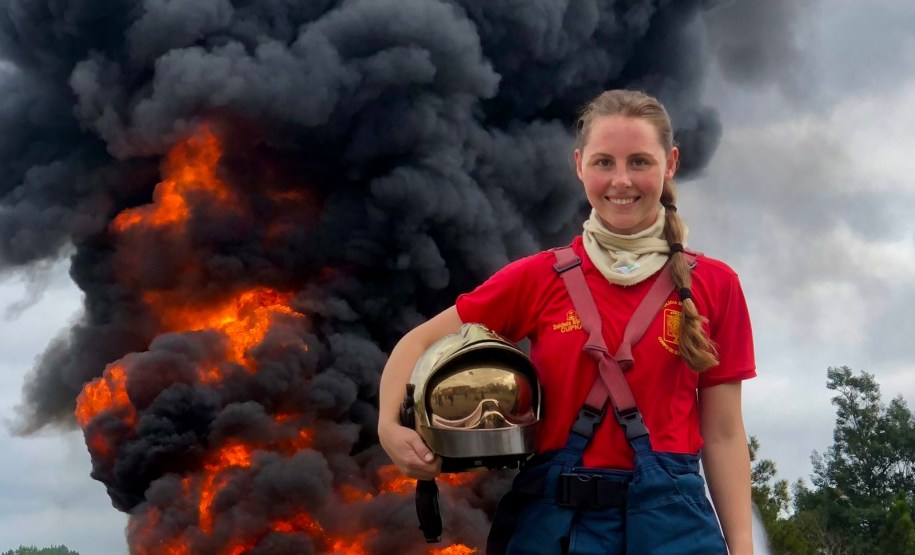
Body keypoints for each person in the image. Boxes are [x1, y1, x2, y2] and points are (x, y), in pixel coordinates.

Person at [378, 89, 755, 555]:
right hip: (556, 523)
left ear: (671, 163)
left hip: (675, 527)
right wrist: (389, 428)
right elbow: (415, 344)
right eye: (603, 163)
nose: (621, 180)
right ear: (579, 165)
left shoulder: (715, 285)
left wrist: (742, 548)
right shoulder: (537, 277)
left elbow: (723, 434)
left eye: (639, 161)